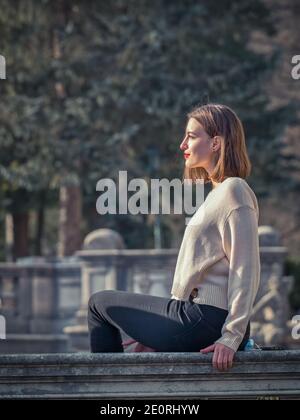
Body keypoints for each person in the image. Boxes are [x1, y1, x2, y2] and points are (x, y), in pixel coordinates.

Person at [88, 103, 260, 372]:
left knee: (99, 304)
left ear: (216, 143)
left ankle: (108, 391)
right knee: (102, 307)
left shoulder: (234, 190)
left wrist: (232, 335)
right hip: (196, 316)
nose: (183, 144)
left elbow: (245, 268)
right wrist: (155, 334)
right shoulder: (216, 195)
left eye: (191, 136)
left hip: (208, 318)